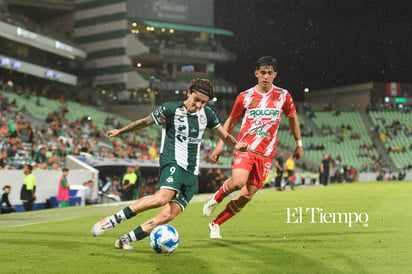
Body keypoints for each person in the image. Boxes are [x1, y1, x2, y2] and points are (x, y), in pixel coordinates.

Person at [91, 78, 249, 250]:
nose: (198, 105)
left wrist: (237, 146)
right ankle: (110, 221)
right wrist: (121, 131)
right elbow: (144, 122)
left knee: (169, 213)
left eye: (203, 103)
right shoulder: (171, 109)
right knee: (162, 198)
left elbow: (224, 136)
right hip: (173, 161)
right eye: (196, 100)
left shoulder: (207, 114)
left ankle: (124, 240)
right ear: (189, 93)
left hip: (191, 171)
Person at [203, 56, 303, 239]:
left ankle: (215, 223)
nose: (266, 76)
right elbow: (231, 121)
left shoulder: (283, 95)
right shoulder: (245, 96)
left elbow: (293, 118)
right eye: (262, 72)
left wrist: (299, 144)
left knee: (246, 196)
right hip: (245, 149)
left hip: (266, 155)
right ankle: (216, 198)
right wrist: (219, 146)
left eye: (269, 73)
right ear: (256, 73)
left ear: (275, 75)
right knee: (239, 182)